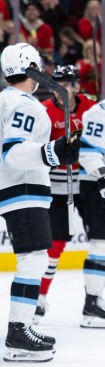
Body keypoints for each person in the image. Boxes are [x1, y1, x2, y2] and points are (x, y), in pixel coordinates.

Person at [0, 43, 80, 363]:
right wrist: (54, 152)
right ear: (32, 68)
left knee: (35, 257)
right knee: (34, 258)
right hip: (19, 188)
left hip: (13, 188)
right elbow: (13, 153)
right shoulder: (24, 104)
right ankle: (18, 334)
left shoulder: (0, 100)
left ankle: (21, 328)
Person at [36, 65, 97, 322]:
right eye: (56, 84)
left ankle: (95, 300)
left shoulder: (92, 108)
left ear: (77, 86)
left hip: (89, 182)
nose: (60, 91)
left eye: (66, 84)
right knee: (56, 243)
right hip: (57, 185)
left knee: (100, 240)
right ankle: (39, 298)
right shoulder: (44, 112)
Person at [77, 99, 105, 328]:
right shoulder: (99, 113)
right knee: (100, 243)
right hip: (95, 184)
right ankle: (92, 306)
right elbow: (88, 152)